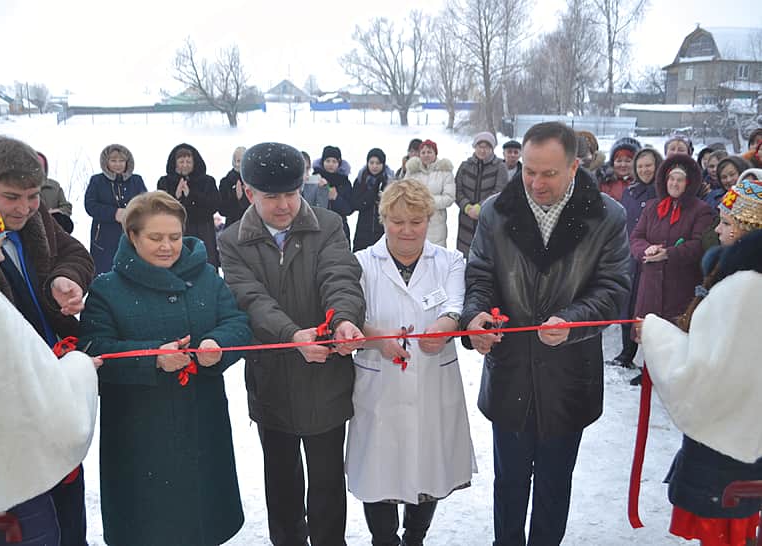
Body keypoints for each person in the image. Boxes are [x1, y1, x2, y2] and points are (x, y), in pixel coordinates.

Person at [461, 122, 631, 546]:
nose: (535, 183)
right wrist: (476, 316)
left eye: (549, 173)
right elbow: (480, 274)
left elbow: (613, 288)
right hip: (511, 369)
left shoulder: (607, 217)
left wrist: (574, 320)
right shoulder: (497, 211)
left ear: (574, 166)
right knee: (510, 483)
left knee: (555, 486)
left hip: (568, 374)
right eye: (528, 171)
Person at [0, 136, 95, 546]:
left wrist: (64, 280)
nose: (25, 208)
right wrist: (76, 372)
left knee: (64, 516)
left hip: (46, 386)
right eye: (12, 197)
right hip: (5, 414)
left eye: (32, 196)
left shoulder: (36, 216)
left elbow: (75, 253)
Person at [79, 191, 251, 546]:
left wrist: (217, 345)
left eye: (174, 237)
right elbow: (95, 350)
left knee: (201, 520)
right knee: (148, 526)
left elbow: (237, 322)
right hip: (139, 431)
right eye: (155, 238)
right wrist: (151, 357)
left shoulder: (205, 277)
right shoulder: (107, 288)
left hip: (201, 424)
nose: (167, 247)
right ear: (132, 237)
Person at [219, 142, 366, 546]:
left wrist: (344, 319)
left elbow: (339, 276)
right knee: (282, 486)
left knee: (326, 485)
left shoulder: (329, 224)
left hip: (326, 379)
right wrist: (290, 335)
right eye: (272, 196)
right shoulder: (233, 242)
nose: (285, 205)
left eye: (292, 193)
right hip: (273, 383)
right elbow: (249, 299)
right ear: (249, 192)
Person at [348, 179, 476, 546]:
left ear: (429, 219)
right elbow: (352, 313)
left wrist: (447, 325)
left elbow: (455, 305)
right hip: (379, 382)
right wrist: (376, 337)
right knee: (378, 468)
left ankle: (415, 538)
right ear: (383, 218)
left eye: (416, 221)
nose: (407, 231)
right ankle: (383, 540)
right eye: (398, 221)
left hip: (432, 381)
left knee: (428, 463)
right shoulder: (361, 264)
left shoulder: (450, 261)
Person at [639, 179, 762, 546]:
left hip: (726, 444)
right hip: (749, 436)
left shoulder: (743, 288)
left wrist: (655, 334)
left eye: (726, 223)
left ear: (748, 230)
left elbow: (705, 372)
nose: (718, 229)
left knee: (727, 535)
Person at [629, 154, 715, 385]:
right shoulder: (653, 207)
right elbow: (636, 237)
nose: (674, 184)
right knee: (649, 328)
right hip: (651, 281)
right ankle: (648, 372)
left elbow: (699, 245)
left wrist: (669, 253)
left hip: (680, 282)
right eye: (671, 179)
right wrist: (646, 250)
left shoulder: (701, 210)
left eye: (680, 180)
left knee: (674, 331)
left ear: (689, 183)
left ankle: (672, 378)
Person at [609, 147, 663, 368]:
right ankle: (626, 353)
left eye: (648, 165)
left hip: (652, 256)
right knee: (627, 304)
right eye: (640, 166)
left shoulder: (662, 192)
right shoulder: (630, 192)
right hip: (629, 255)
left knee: (648, 308)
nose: (644, 169)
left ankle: (649, 362)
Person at [85, 144, 147, 275]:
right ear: (106, 162)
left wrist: (132, 214)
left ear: (127, 162)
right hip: (103, 238)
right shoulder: (97, 181)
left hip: (131, 235)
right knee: (105, 274)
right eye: (113, 161)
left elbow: (145, 204)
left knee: (131, 273)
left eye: (121, 161)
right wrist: (114, 213)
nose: (117, 164)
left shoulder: (136, 180)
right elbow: (90, 206)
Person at [157, 143, 221, 267]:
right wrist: (176, 196)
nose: (185, 165)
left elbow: (214, 205)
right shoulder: (165, 182)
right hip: (176, 230)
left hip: (203, 230)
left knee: (205, 265)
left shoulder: (207, 181)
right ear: (175, 163)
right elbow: (160, 208)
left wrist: (191, 195)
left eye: (188, 162)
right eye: (181, 162)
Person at [455, 132, 509, 257]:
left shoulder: (500, 166)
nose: (483, 150)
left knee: (486, 255)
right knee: (466, 255)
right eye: (480, 146)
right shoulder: (465, 166)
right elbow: (457, 190)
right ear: (475, 147)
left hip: (489, 217)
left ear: (492, 148)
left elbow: (500, 191)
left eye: (487, 147)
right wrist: (467, 207)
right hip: (466, 220)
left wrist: (481, 207)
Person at [404, 140, 455, 248]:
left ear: (435, 153)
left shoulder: (445, 171)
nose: (426, 155)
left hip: (436, 222)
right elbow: (405, 192)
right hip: (414, 219)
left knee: (435, 255)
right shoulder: (413, 171)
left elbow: (449, 197)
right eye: (423, 152)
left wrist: (427, 201)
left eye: (429, 152)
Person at [351, 147, 393, 252]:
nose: (374, 166)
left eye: (378, 163)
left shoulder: (390, 181)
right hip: (363, 230)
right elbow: (356, 204)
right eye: (372, 162)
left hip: (383, 230)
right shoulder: (361, 179)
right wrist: (372, 192)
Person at [313, 145, 355, 245]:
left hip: (339, 229)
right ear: (323, 162)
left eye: (334, 161)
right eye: (328, 161)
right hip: (318, 229)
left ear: (339, 163)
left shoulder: (344, 182)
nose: (331, 164)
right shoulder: (315, 179)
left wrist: (336, 198)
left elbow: (349, 209)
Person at [37, 151, 74, 233]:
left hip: (54, 231)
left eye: (40, 166)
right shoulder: (20, 188)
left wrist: (57, 212)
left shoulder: (54, 186)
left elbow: (67, 207)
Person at [218, 146, 250, 227]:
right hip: (233, 226)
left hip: (252, 226)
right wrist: (235, 197)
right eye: (238, 160)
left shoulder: (254, 180)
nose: (241, 164)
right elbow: (222, 210)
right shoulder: (226, 182)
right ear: (234, 161)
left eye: (244, 160)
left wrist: (243, 199)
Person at [601, 137, 640, 202]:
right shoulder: (603, 181)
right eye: (619, 161)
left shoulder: (641, 183)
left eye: (628, 161)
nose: (623, 165)